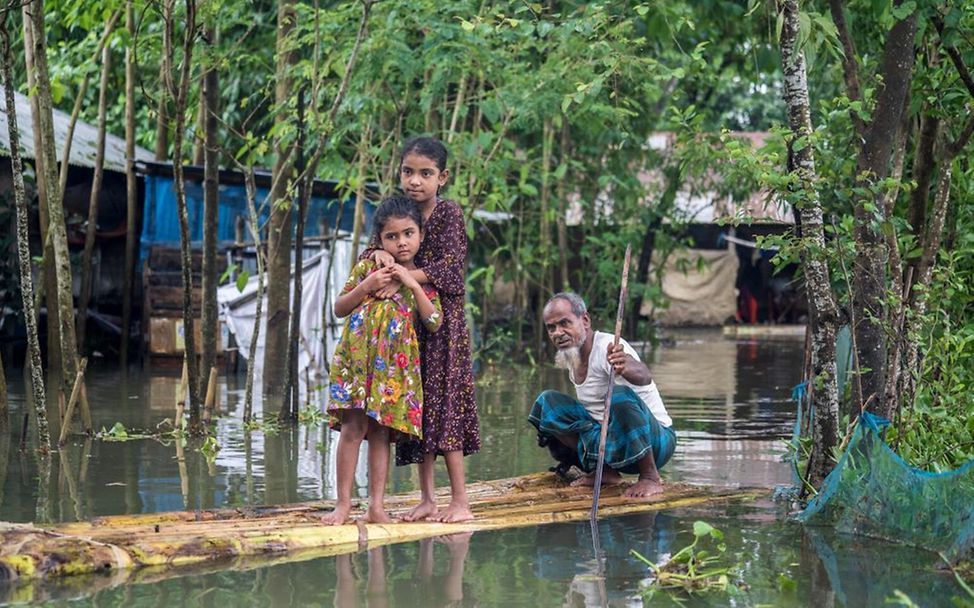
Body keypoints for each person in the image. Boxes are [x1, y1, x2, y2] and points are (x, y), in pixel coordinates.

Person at [365, 136, 480, 523]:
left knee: (447, 407)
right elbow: (372, 249)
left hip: (443, 327)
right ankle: (428, 498)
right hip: (407, 332)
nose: (415, 181)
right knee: (421, 411)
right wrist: (378, 254)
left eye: (425, 174)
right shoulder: (399, 214)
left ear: (442, 177)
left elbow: (451, 270)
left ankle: (460, 500)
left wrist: (401, 276)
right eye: (408, 172)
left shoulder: (448, 214)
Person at [321, 195, 443, 525]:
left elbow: (434, 322)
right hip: (357, 363)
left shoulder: (421, 278)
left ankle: (376, 505)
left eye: (408, 233)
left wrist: (409, 282)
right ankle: (343, 504)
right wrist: (367, 285)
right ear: (380, 239)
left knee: (379, 433)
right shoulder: (368, 267)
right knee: (352, 428)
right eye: (392, 236)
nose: (401, 242)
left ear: (420, 234)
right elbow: (340, 308)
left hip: (392, 370)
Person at [530, 292, 676, 498]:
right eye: (551, 328)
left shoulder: (609, 347)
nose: (557, 333)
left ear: (585, 321)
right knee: (546, 403)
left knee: (618, 396)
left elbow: (644, 375)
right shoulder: (573, 356)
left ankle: (650, 476)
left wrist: (626, 365)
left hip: (656, 443)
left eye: (565, 323)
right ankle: (604, 470)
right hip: (614, 444)